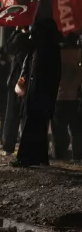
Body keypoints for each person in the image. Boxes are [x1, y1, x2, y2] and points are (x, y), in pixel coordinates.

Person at [12, 19, 62, 167]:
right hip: (41, 95)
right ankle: (40, 157)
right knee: (39, 128)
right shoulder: (45, 48)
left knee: (32, 127)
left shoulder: (45, 49)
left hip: (39, 96)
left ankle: (25, 158)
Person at [50, 33, 82, 161]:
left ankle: (59, 155)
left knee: (58, 130)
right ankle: (77, 156)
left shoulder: (57, 54)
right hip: (76, 97)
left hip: (59, 97)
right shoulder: (79, 53)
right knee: (77, 130)